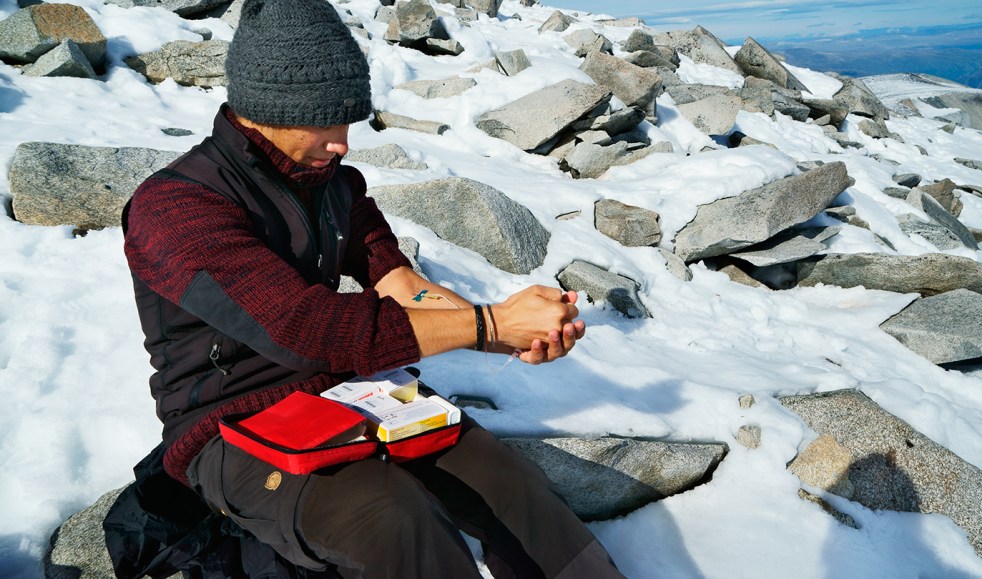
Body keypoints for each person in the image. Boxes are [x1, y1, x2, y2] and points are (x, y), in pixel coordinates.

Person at [120, 0, 625, 577]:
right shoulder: (177, 207)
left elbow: (399, 283)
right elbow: (305, 330)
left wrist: (507, 335)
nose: (343, 143)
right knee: (394, 517)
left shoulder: (337, 185)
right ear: (263, 109)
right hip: (231, 424)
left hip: (353, 392)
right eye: (324, 121)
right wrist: (488, 321)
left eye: (349, 120)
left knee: (512, 488)